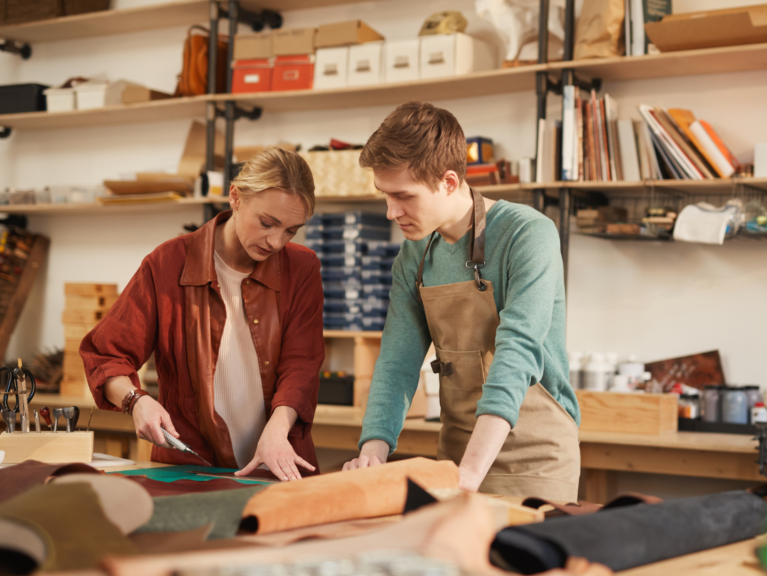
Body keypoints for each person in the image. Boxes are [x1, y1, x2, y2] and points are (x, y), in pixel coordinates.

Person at [343, 102, 581, 502]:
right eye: (384, 195)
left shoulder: (528, 235)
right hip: (455, 455)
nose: (390, 212)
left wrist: (471, 473)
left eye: (403, 196)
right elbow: (397, 363)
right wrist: (373, 451)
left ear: (449, 182)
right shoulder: (413, 256)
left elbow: (517, 353)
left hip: (535, 459)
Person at [80, 148, 325, 482]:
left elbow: (302, 363)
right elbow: (105, 354)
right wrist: (136, 401)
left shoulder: (302, 267)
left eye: (291, 231)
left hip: (277, 465)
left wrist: (277, 429)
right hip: (187, 468)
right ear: (236, 197)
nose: (276, 241)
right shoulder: (167, 263)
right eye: (267, 223)